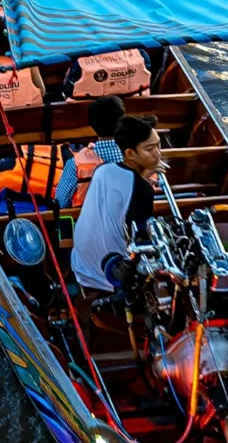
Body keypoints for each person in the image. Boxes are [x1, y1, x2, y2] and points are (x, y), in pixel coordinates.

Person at [69, 109, 166, 301]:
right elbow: (142, 240)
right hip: (105, 273)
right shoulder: (142, 190)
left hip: (81, 260)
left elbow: (123, 193)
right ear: (129, 153)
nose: (158, 154)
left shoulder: (103, 169)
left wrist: (142, 178)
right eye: (150, 149)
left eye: (158, 145)